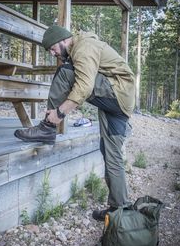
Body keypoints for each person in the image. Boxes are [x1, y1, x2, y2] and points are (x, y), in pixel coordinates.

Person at [14, 25, 135, 220]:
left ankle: (47, 127)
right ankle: (119, 209)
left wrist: (59, 114)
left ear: (63, 40)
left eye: (53, 48)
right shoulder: (81, 48)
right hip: (121, 101)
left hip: (117, 92)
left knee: (65, 71)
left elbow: (85, 87)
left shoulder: (84, 47)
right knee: (111, 154)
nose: (53, 53)